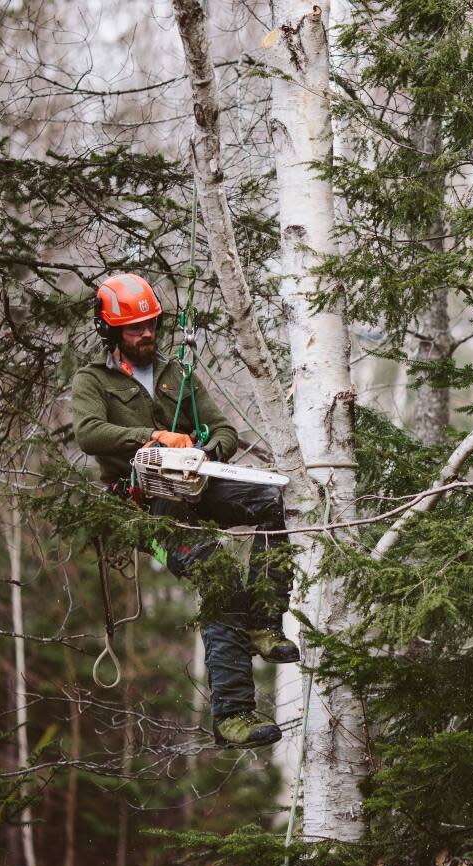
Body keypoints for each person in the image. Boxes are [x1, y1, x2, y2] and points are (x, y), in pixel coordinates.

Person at [72, 272, 297, 747]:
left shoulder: (179, 374)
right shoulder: (94, 380)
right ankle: (232, 715)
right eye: (134, 328)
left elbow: (224, 430)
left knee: (276, 504)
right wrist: (151, 438)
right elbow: (89, 432)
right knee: (216, 572)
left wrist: (208, 450)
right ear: (112, 332)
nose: (146, 334)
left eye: (151, 324)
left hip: (196, 483)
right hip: (143, 506)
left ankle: (263, 620)